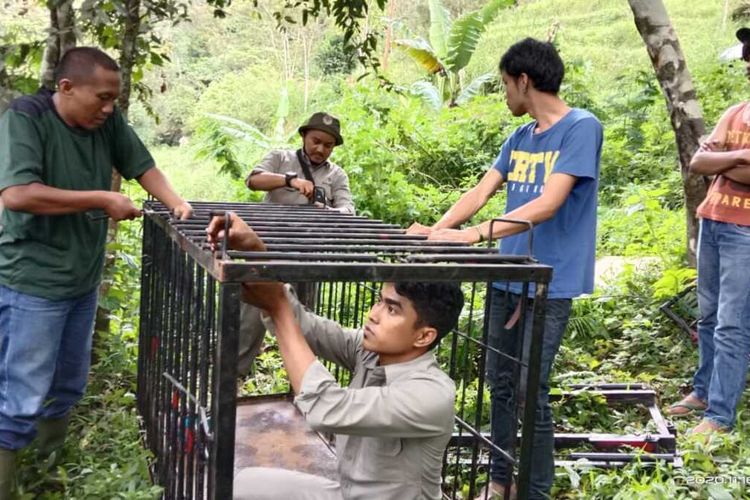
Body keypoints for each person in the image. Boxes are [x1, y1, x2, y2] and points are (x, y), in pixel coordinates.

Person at [408, 38, 602, 499]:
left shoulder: (581, 128)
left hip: (548, 282)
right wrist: (436, 232)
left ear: (524, 80)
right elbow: (480, 193)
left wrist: (472, 235)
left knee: (529, 385)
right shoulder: (519, 137)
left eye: (504, 86)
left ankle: (534, 489)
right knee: (499, 381)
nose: (505, 96)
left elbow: (550, 202)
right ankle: (500, 480)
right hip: (505, 277)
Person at [0, 47, 192, 497]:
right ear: (66, 88)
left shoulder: (107, 121)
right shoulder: (26, 119)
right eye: (101, 98)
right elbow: (17, 194)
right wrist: (102, 199)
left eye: (114, 101)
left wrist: (179, 205)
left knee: (67, 383)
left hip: (80, 282)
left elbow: (142, 165)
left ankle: (49, 471)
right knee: (21, 393)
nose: (109, 109)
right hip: (34, 282)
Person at [205, 212, 463, 500]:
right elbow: (305, 326)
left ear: (424, 336)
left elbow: (327, 407)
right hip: (346, 494)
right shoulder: (369, 352)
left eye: (392, 309)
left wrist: (278, 307)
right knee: (244, 486)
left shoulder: (431, 395)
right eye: (380, 301)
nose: (373, 315)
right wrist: (255, 250)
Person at [666, 28, 750, 435]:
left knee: (734, 323)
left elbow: (713, 160)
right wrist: (741, 157)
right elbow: (699, 163)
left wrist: (721, 160)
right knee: (709, 316)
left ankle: (719, 415)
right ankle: (702, 390)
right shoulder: (736, 111)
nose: (748, 62)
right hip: (714, 221)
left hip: (745, 233)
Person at [238, 112, 354, 376]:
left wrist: (325, 209)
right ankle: (235, 378)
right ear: (304, 136)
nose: (320, 149)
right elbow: (253, 180)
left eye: (328, 145)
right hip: (265, 251)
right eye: (316, 141)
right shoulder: (280, 158)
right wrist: (290, 180)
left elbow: (347, 210)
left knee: (302, 321)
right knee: (250, 318)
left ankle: (303, 384)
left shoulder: (337, 175)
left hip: (306, 255)